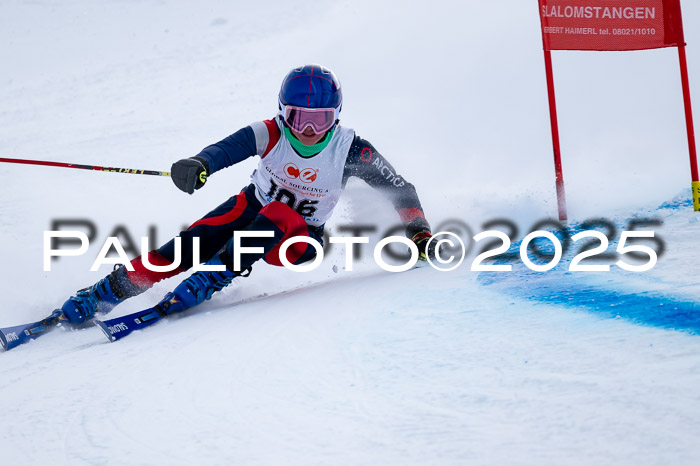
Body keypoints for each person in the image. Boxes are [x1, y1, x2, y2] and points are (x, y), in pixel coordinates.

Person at [59, 64, 435, 324]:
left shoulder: (350, 149)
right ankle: (105, 293)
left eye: (318, 119)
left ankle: (210, 279)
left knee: (279, 214)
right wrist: (199, 163)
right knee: (189, 243)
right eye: (296, 116)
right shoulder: (271, 131)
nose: (306, 129)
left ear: (335, 115)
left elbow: (400, 189)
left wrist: (420, 233)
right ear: (281, 112)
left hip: (298, 240)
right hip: (249, 207)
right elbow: (226, 150)